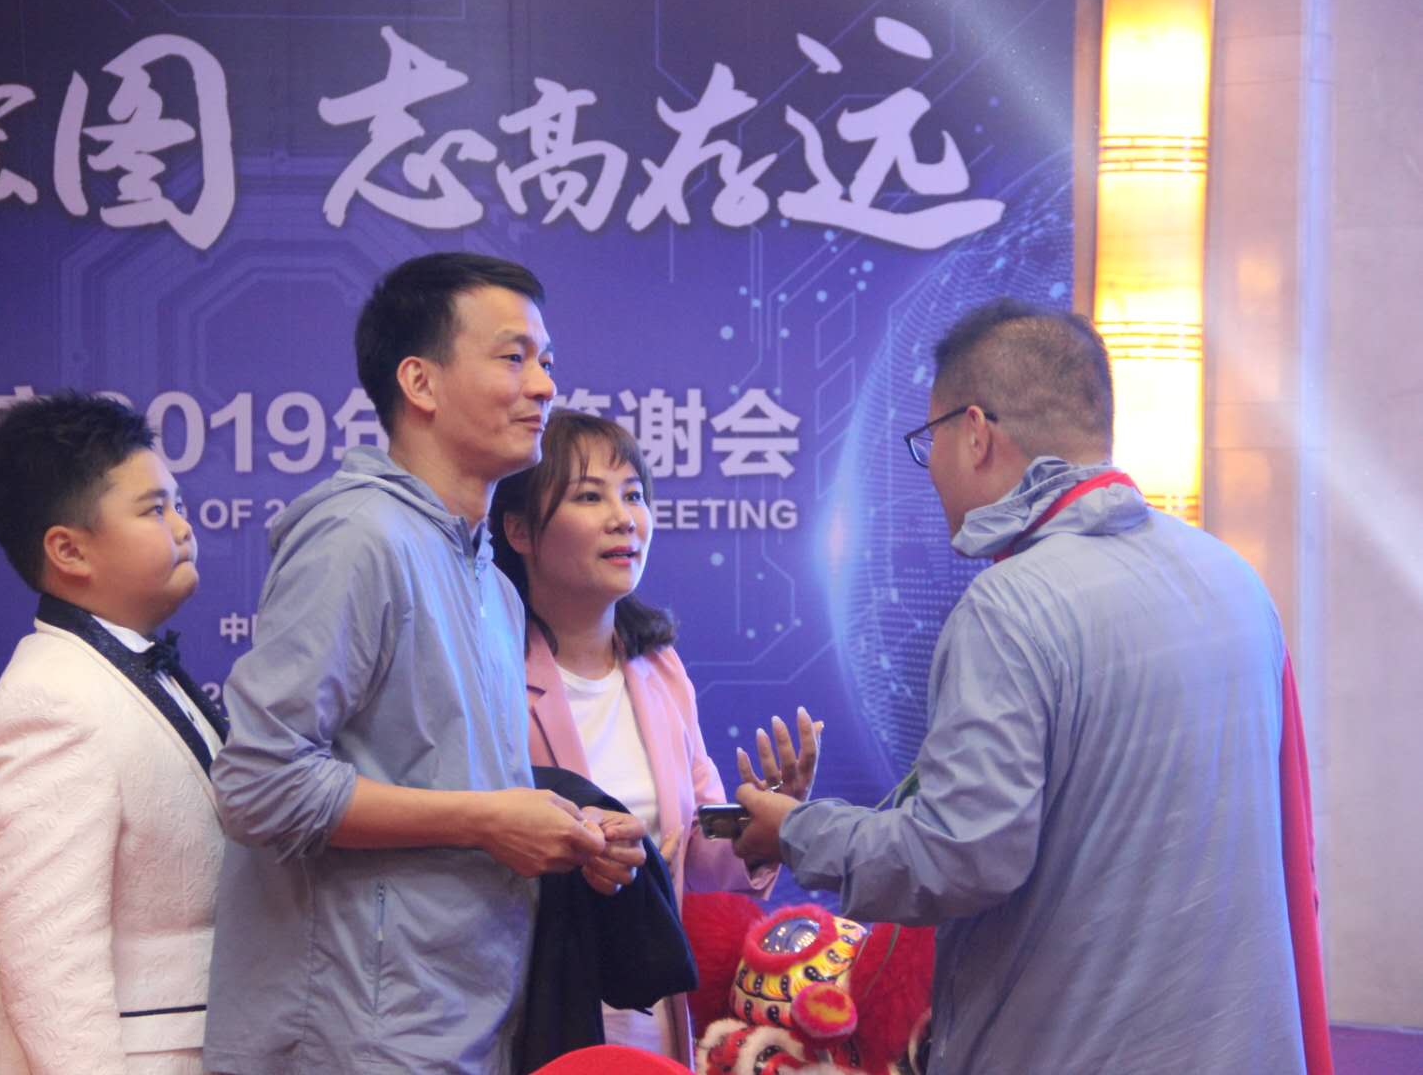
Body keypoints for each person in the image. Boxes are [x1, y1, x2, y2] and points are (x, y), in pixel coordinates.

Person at [731, 299, 1333, 1075]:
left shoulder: (1011, 605)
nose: (932, 468)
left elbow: (961, 859)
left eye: (930, 440)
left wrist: (797, 833)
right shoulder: (1233, 578)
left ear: (975, 432)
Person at [204, 253, 643, 1074]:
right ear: (420, 382)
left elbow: (455, 781)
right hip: (356, 1038)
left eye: (547, 362)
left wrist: (574, 835)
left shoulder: (492, 582)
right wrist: (486, 821)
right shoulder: (359, 537)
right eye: (513, 358)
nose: (544, 386)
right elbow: (258, 785)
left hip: (468, 1021)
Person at [489, 410, 820, 1063]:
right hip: (533, 1012)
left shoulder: (658, 669)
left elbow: (696, 851)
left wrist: (764, 823)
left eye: (634, 494)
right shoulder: (488, 670)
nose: (625, 519)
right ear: (520, 530)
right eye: (591, 497)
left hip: (651, 1011)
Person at [0, 392, 225, 1075]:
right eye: (154, 510)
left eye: (178, 504)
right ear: (69, 550)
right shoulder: (50, 704)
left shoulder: (116, 668)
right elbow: (54, 971)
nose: (183, 528)